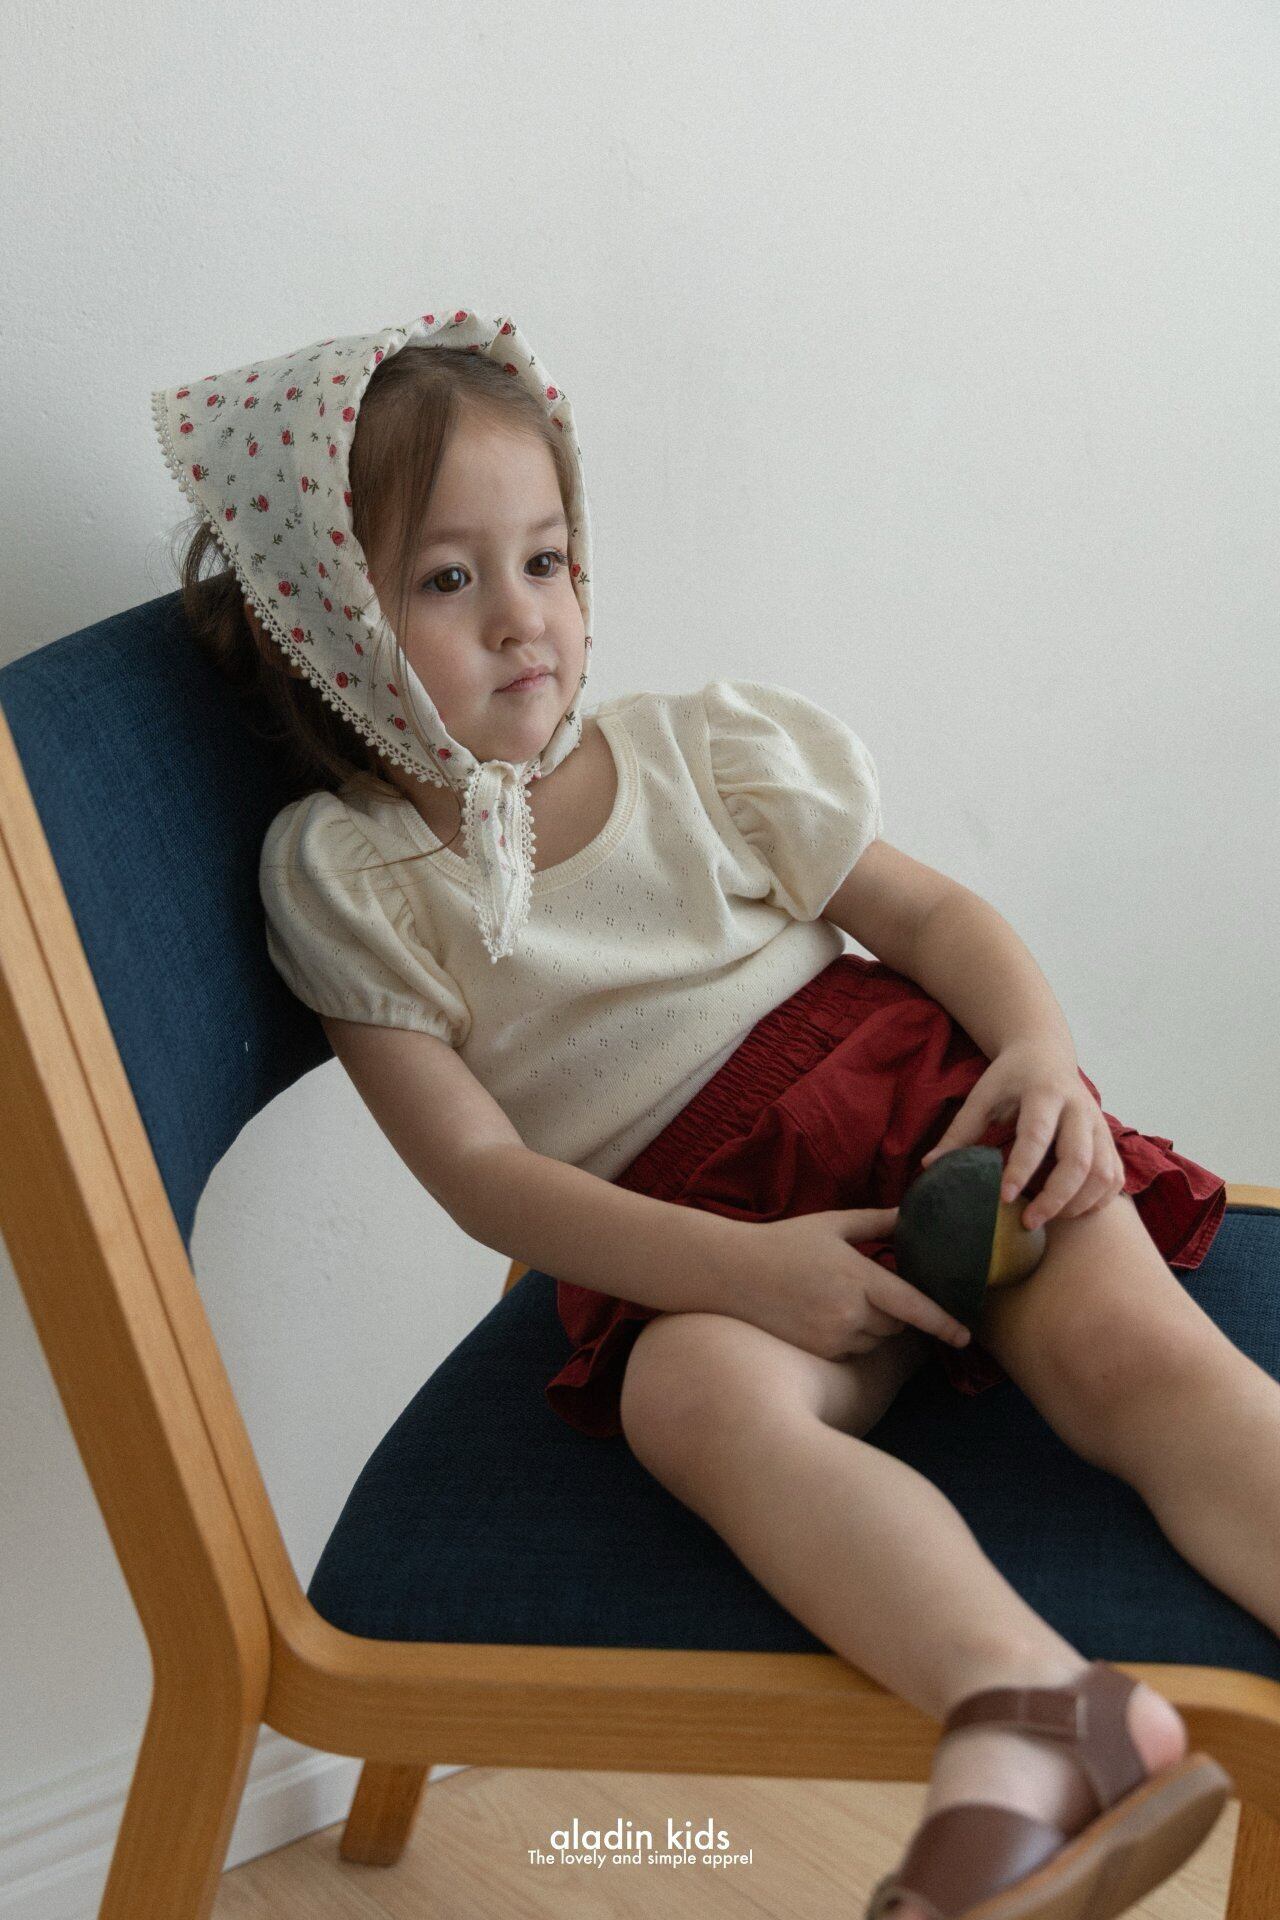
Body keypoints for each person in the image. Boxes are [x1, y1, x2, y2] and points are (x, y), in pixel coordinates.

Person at [153, 307, 1257, 1920]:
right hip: (705, 1235)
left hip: (929, 1118)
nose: (523, 616)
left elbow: (931, 918)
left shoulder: (701, 754)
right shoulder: (351, 880)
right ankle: (1037, 1718)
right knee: (693, 1403)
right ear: (328, 626)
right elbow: (479, 1174)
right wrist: (742, 1276)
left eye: (546, 559)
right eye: (448, 580)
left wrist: (1033, 1046)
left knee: (1140, 1364)